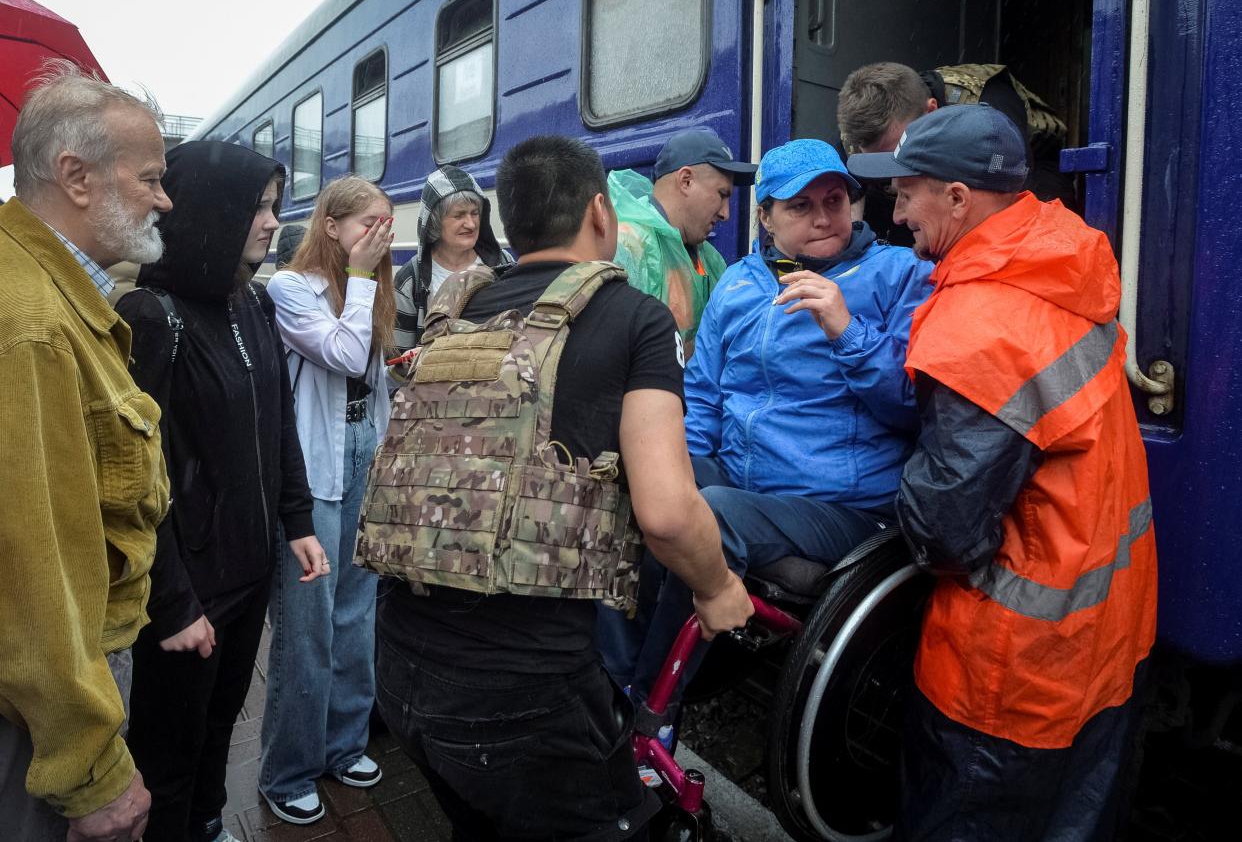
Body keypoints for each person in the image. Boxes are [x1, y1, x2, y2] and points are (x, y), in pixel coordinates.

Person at [358, 135, 754, 840]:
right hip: (525, 694)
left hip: (400, 663)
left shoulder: (455, 310)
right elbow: (666, 512)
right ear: (601, 212)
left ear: (510, 221)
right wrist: (719, 587)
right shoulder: (633, 316)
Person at [846, 103, 1157, 841]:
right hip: (1110, 636)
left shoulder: (981, 323)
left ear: (957, 197)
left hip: (1009, 675)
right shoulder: (1067, 258)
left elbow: (947, 528)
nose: (894, 211)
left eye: (906, 189)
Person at [599, 139, 933, 724]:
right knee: (642, 486)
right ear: (766, 217)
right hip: (745, 483)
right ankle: (612, 675)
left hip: (844, 506)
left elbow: (914, 406)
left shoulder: (898, 275)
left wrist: (845, 328)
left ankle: (650, 706)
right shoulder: (739, 284)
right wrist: (681, 470)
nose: (824, 217)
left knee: (710, 514)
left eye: (834, 200)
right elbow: (701, 399)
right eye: (799, 207)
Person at [114, 141, 327, 842]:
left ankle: (207, 822)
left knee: (216, 730)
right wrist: (173, 602)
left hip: (246, 577)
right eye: (256, 207)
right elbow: (137, 484)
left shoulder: (254, 304)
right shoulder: (153, 316)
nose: (272, 221)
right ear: (210, 211)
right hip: (188, 595)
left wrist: (295, 517)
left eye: (273, 204)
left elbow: (277, 427)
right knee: (167, 755)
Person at [0, 61, 170, 841]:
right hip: (47, 713)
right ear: (75, 175)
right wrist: (94, 771)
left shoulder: (43, 291)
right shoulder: (31, 324)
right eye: (151, 177)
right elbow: (32, 572)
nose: (165, 198)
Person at [259, 175, 396, 825]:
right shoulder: (291, 289)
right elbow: (343, 355)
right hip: (315, 472)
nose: (380, 235)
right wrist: (366, 277)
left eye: (386, 223)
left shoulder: (367, 287)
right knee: (307, 627)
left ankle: (344, 743)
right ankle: (287, 769)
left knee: (356, 612)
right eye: (368, 223)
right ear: (333, 225)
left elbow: (372, 382)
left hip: (362, 455)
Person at [838, 61, 1076, 244]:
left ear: (931, 110)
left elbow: (1007, 194)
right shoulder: (858, 130)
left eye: (897, 150)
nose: (892, 175)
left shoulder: (988, 108)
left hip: (1029, 165)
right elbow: (847, 200)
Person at [608, 126, 756, 356]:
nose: (726, 214)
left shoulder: (708, 256)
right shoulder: (627, 247)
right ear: (686, 180)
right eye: (722, 194)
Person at [393, 164, 513, 352]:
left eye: (475, 213)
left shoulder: (501, 262)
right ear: (434, 222)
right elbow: (396, 357)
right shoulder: (411, 279)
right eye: (459, 215)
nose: (471, 224)